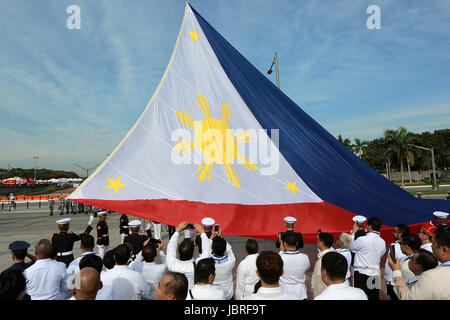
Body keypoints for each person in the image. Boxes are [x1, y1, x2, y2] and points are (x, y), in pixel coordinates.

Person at [388, 227, 450, 299]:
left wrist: (396, 272)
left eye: (433, 243)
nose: (431, 247)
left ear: (444, 249)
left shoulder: (431, 276)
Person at [348, 217, 386, 300]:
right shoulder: (382, 242)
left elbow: (350, 246)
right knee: (374, 297)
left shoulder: (362, 239)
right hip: (374, 273)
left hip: (361, 273)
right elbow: (380, 254)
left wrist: (353, 233)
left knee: (360, 297)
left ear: (370, 226)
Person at [166, 222, 211, 289]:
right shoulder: (198, 265)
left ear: (178, 251)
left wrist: (177, 231)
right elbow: (207, 251)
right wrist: (202, 233)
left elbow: (171, 247)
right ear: (193, 253)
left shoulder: (172, 265)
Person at [277, 232, 310, 300]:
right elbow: (306, 269)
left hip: (284, 293)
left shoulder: (280, 257)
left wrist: (281, 251)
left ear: (285, 244)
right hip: (301, 294)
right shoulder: (305, 257)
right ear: (297, 243)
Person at [384, 223, 409, 300]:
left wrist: (388, 280)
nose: (392, 233)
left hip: (394, 281)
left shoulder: (395, 247)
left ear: (400, 233)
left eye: (394, 231)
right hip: (398, 280)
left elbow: (393, 264)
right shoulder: (406, 245)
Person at [209, 235, 235, 300]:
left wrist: (210, 240)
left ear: (212, 249)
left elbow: (205, 251)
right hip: (228, 295)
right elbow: (229, 249)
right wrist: (220, 237)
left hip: (213, 296)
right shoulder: (231, 260)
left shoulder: (207, 262)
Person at [311, 232, 334, 298]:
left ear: (321, 243)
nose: (317, 242)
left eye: (318, 240)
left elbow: (319, 282)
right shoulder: (333, 256)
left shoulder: (322, 260)